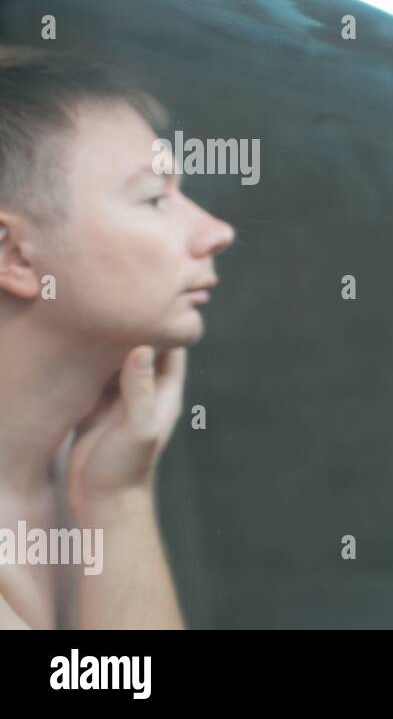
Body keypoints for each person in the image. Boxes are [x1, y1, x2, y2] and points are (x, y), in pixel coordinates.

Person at [0, 47, 235, 628]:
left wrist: (118, 497)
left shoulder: (85, 465)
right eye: (155, 198)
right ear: (14, 255)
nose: (217, 231)